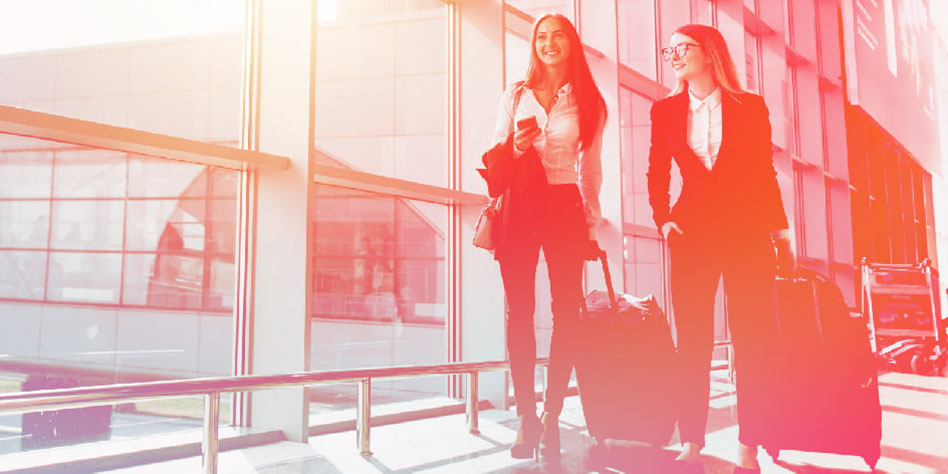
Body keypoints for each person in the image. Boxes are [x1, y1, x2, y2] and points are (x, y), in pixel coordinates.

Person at [646, 24, 795, 474]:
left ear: (709, 54)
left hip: (747, 233)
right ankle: (692, 439)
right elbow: (656, 170)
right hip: (691, 234)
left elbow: (764, 175)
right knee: (691, 340)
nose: (673, 55)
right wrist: (663, 219)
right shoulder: (665, 110)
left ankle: (748, 445)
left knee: (753, 341)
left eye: (682, 48)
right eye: (669, 49)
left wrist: (781, 235)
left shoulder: (749, 107)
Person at [489, 13, 606, 460]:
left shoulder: (590, 102)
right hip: (518, 205)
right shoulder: (515, 94)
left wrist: (590, 225)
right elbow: (494, 151)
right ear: (533, 44)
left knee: (567, 314)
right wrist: (519, 145)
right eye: (541, 36)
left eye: (558, 35)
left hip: (563, 205)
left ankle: (553, 413)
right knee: (520, 311)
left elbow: (590, 171)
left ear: (571, 43)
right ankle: (525, 415)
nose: (549, 42)